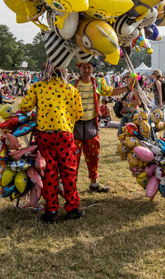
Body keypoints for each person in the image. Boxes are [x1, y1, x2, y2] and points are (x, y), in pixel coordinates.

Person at [20, 69, 83, 223]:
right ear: (65, 72)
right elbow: (79, 113)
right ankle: (72, 208)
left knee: (48, 172)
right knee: (69, 171)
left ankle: (51, 210)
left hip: (45, 135)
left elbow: (25, 106)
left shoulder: (38, 87)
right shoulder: (71, 89)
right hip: (65, 135)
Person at [72, 62, 131, 193]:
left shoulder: (98, 83)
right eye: (84, 67)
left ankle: (94, 184)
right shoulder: (72, 83)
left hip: (91, 125)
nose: (86, 70)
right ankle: (71, 187)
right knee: (72, 158)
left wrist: (127, 88)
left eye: (89, 67)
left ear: (93, 69)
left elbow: (111, 91)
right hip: (74, 126)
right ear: (79, 68)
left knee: (93, 155)